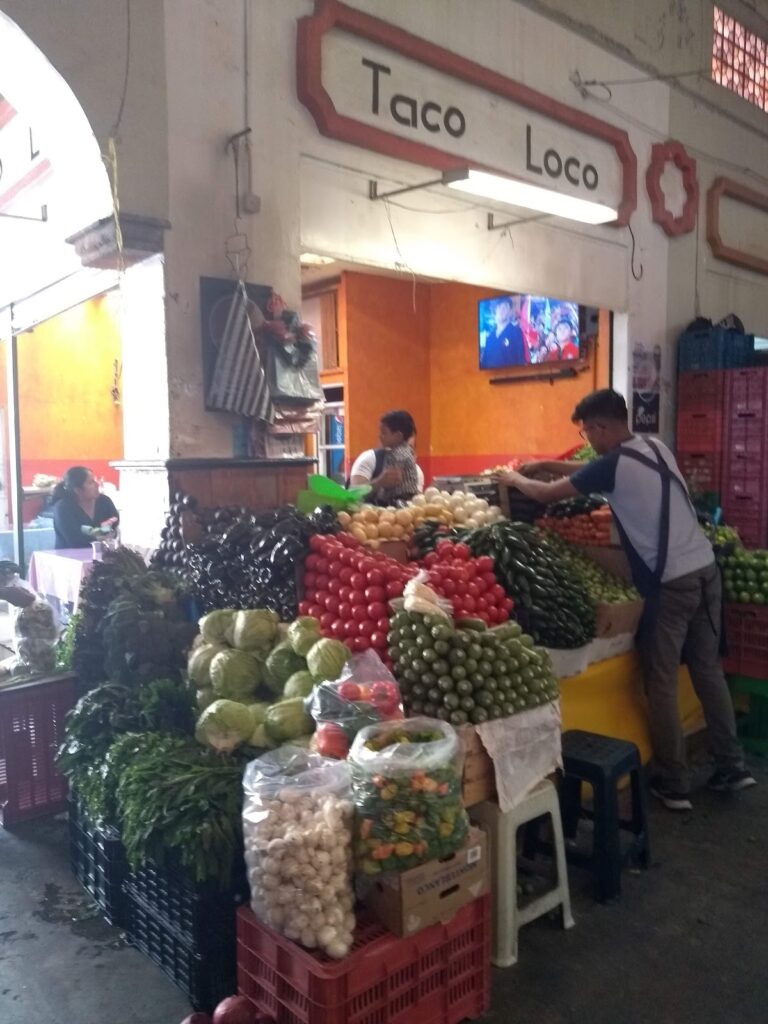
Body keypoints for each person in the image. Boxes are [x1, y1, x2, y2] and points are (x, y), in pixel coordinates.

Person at [496, 388, 755, 810]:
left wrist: (515, 480)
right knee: (708, 669)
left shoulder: (613, 465)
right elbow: (592, 470)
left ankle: (674, 782)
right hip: (707, 571)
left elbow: (545, 495)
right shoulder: (654, 447)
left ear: (600, 427)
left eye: (587, 432)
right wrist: (546, 464)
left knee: (660, 680)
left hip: (672, 583)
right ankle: (733, 765)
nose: (587, 439)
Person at [349, 410, 423, 505]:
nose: (380, 436)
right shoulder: (369, 459)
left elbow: (415, 499)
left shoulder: (403, 459)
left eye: (384, 433)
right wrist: (379, 482)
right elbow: (353, 494)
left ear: (398, 436)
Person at [51, 466, 120, 550]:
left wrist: (103, 533)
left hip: (103, 553)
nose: (97, 485)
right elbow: (76, 541)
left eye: (95, 480)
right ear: (78, 490)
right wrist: (101, 535)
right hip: (70, 555)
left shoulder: (104, 501)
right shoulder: (63, 508)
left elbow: (113, 527)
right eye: (91, 482)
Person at [480, 297, 528, 369]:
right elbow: (484, 362)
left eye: (505, 307)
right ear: (496, 310)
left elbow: (520, 360)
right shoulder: (490, 337)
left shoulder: (516, 332)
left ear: (510, 312)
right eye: (499, 306)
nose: (502, 310)